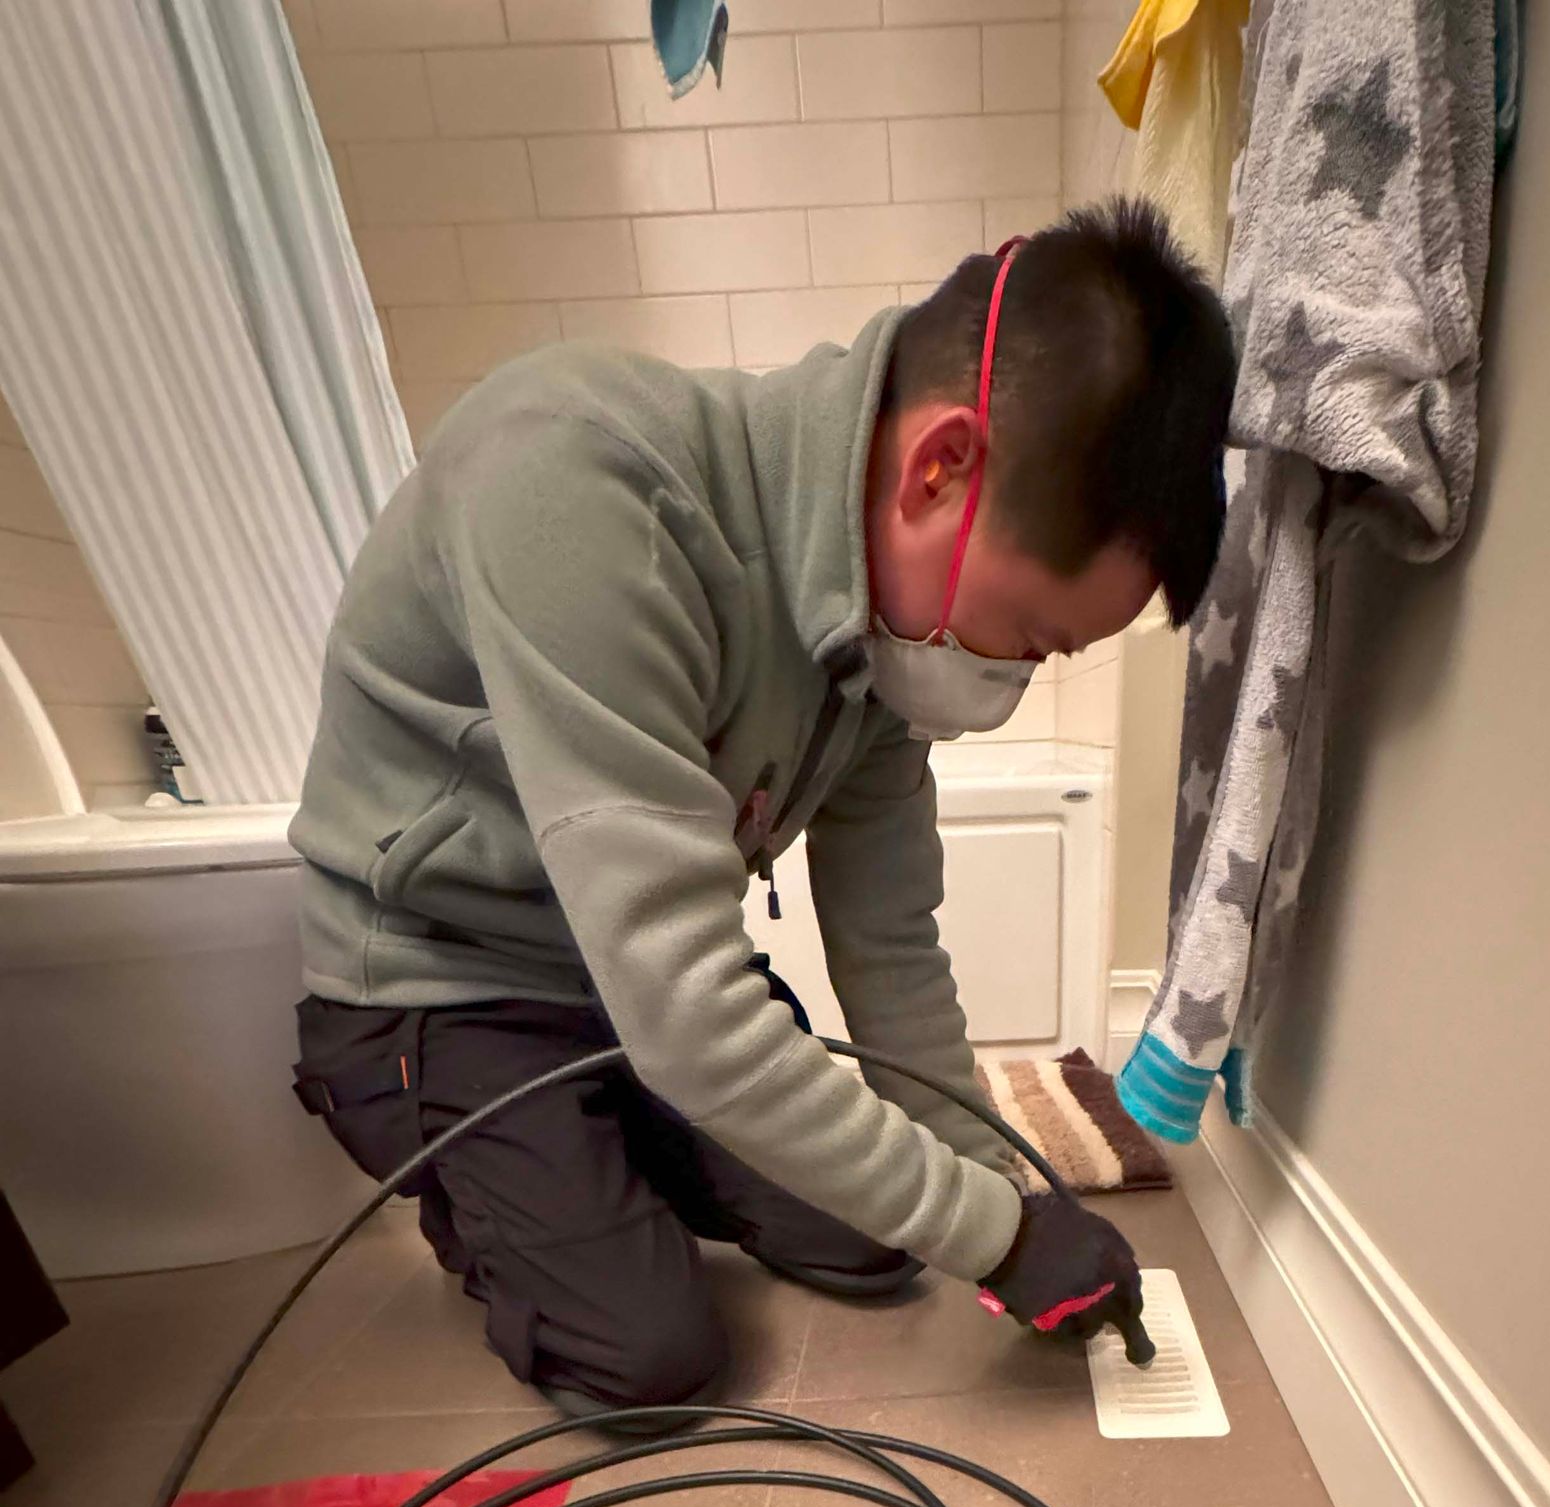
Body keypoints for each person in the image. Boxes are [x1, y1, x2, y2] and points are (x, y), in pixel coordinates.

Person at [290, 198, 1233, 1422]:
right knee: (649, 1364)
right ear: (940, 468)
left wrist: (1003, 1185)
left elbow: (890, 946)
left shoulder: (877, 641)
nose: (1012, 681)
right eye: (1034, 638)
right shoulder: (578, 485)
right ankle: (510, 1168)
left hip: (619, 987)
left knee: (882, 1241)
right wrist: (996, 1238)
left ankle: (610, 1140)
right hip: (435, 989)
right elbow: (690, 1011)